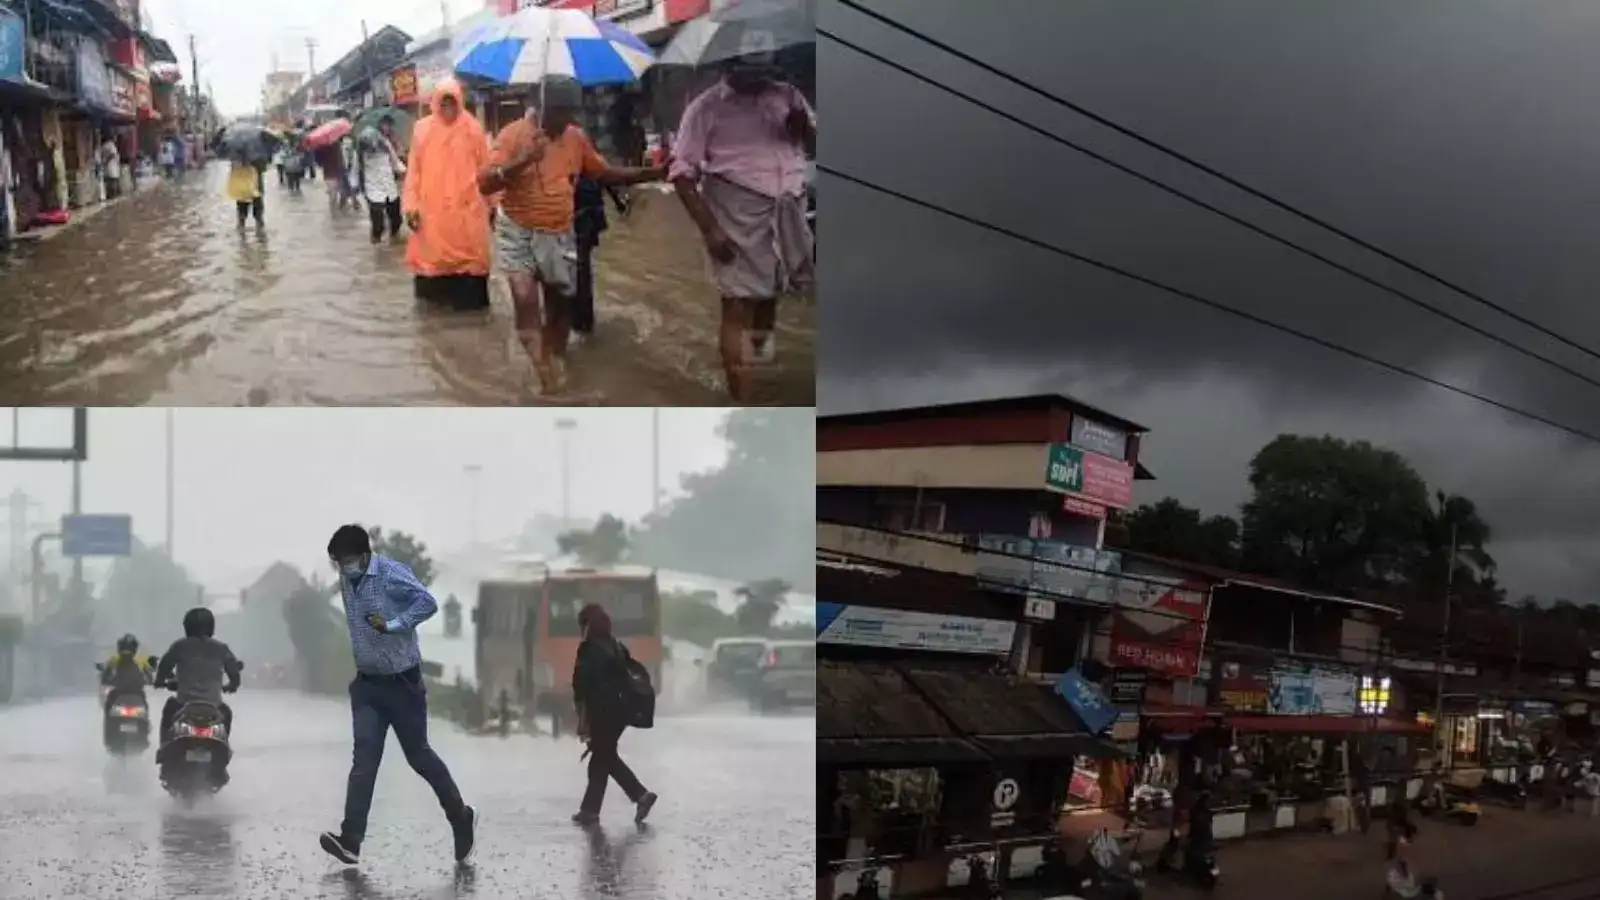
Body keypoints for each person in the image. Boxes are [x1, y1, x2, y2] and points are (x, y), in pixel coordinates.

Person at [479, 76, 666, 397]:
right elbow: (484, 183)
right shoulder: (513, 135)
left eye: (571, 112)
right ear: (543, 108)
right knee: (524, 298)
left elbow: (604, 172)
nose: (567, 119)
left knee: (561, 306)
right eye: (561, 111)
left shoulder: (575, 138)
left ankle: (554, 358)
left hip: (559, 231)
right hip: (517, 230)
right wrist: (524, 159)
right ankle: (546, 378)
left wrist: (653, 173)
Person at [319, 524, 477, 867]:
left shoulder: (390, 574)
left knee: (419, 757)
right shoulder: (346, 580)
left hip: (403, 684)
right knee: (364, 762)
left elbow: (428, 603)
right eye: (338, 562)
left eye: (348, 560)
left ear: (364, 555)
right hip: (367, 687)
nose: (344, 568)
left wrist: (393, 624)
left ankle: (460, 816)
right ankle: (351, 840)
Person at [670, 39, 816, 402]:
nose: (758, 81)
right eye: (750, 73)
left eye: (763, 72)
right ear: (729, 66)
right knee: (739, 303)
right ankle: (744, 402)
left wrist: (803, 127)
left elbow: (812, 146)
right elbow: (681, 174)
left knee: (768, 299)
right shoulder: (705, 108)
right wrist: (710, 230)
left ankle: (756, 376)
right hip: (736, 212)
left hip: (787, 211)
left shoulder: (788, 96)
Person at [403, 78, 494, 312]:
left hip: (467, 212)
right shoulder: (422, 129)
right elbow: (413, 173)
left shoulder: (473, 128)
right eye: (442, 104)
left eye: (452, 103)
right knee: (432, 294)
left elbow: (486, 168)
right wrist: (410, 207)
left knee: (471, 274)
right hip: (432, 214)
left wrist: (493, 205)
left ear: (460, 102)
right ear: (434, 104)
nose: (448, 109)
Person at [571, 602, 657, 826]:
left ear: (588, 626)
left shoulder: (589, 649)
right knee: (602, 758)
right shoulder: (615, 646)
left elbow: (581, 686)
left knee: (604, 757)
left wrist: (581, 717)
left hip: (601, 712)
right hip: (621, 711)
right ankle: (590, 810)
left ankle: (640, 795)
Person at [153, 607, 242, 747]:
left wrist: (160, 680)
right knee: (227, 714)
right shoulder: (221, 648)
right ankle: (222, 746)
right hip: (214, 705)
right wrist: (233, 685)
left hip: (183, 703)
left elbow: (164, 666)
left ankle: (164, 746)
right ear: (211, 626)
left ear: (187, 626)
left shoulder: (179, 646)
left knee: (169, 710)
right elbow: (234, 672)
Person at [571, 174, 629, 339]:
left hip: (581, 211)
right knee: (580, 267)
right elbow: (603, 173)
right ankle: (582, 323)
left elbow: (601, 172)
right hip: (586, 209)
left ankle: (581, 323)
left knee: (578, 268)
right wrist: (617, 201)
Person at [359, 117, 406, 244]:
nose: (387, 127)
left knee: (397, 220)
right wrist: (356, 184)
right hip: (372, 187)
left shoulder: (387, 143)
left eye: (389, 125)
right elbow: (357, 168)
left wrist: (403, 172)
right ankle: (376, 244)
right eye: (385, 125)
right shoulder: (362, 148)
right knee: (378, 224)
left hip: (389, 185)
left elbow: (395, 161)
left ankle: (393, 240)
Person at [101, 633, 155, 707]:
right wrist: (149, 681)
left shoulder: (114, 659)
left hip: (120, 692)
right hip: (136, 692)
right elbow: (149, 674)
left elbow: (105, 675)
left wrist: (107, 681)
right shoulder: (141, 658)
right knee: (144, 702)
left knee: (109, 702)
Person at [227, 151, 264, 230]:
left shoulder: (235, 152)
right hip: (248, 182)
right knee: (251, 201)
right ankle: (255, 222)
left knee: (249, 201)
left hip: (248, 182)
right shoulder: (258, 151)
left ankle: (245, 223)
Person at [99, 134, 122, 200]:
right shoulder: (110, 145)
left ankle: (112, 194)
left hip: (110, 165)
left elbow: (111, 154)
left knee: (111, 180)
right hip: (111, 165)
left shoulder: (105, 145)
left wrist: (105, 161)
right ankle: (114, 194)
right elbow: (113, 154)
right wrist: (106, 160)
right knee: (113, 180)